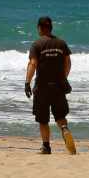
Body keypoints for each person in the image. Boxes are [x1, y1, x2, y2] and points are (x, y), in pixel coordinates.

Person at [24, 16, 75, 155]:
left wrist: (27, 82)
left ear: (40, 28)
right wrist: (64, 77)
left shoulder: (37, 45)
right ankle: (64, 129)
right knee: (60, 116)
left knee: (43, 119)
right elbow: (68, 63)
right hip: (58, 86)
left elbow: (33, 64)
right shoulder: (61, 43)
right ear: (51, 27)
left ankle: (46, 147)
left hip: (42, 87)